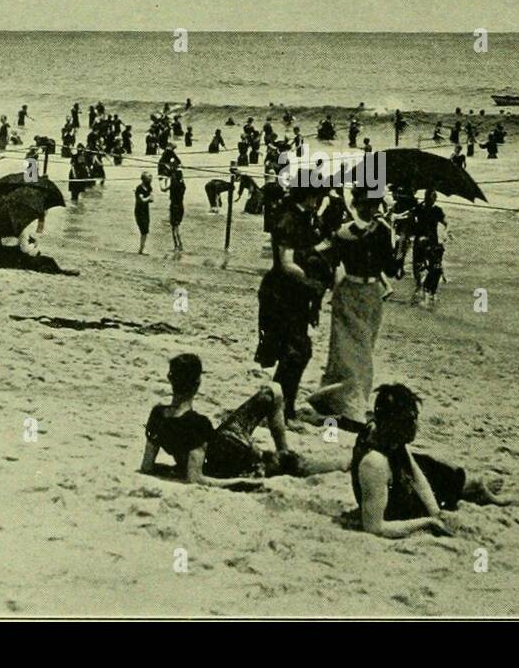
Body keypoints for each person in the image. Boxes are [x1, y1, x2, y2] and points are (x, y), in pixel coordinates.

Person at [140, 354, 344, 488]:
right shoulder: (196, 423)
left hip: (223, 444)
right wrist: (242, 483)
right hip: (232, 461)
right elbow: (197, 479)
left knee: (272, 391)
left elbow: (148, 466)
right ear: (197, 384)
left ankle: (285, 450)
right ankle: (341, 463)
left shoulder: (157, 414)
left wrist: (175, 467)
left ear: (170, 379)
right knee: (291, 463)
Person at [353, 384, 510, 538]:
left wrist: (436, 513)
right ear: (393, 423)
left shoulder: (387, 435)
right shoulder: (374, 463)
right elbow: (374, 528)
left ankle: (468, 487)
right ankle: (473, 488)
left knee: (437, 469)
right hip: (395, 501)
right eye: (410, 420)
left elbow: (416, 475)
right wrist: (428, 523)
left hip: (396, 482)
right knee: (446, 484)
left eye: (415, 418)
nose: (416, 426)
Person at [301, 188, 395, 426]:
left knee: (364, 347)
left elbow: (391, 267)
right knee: (349, 350)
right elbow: (324, 258)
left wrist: (394, 242)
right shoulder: (346, 232)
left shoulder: (380, 231)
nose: (371, 209)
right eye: (367, 204)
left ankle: (350, 399)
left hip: (370, 293)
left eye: (374, 204)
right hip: (351, 291)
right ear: (357, 205)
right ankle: (346, 402)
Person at [256, 184, 329, 422]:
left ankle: (280, 406)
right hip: (281, 294)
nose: (318, 200)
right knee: (295, 352)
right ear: (309, 195)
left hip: (294, 295)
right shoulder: (289, 218)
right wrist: (311, 283)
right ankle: (279, 407)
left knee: (295, 352)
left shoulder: (306, 218)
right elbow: (286, 263)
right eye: (317, 195)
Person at [410, 189, 447, 307]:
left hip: (431, 241)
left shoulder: (436, 210)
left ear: (435, 199)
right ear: (425, 198)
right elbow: (411, 218)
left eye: (432, 198)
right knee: (418, 265)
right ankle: (420, 287)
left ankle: (429, 291)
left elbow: (446, 222)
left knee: (434, 267)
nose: (430, 200)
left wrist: (445, 233)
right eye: (428, 198)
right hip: (421, 240)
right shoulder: (420, 208)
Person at [168, 165, 186, 253]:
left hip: (174, 206)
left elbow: (165, 188)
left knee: (174, 228)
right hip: (181, 206)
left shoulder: (174, 185)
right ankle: (180, 245)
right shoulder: (182, 186)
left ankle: (176, 246)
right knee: (177, 227)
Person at [134, 171, 153, 254]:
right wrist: (149, 198)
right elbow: (142, 200)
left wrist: (149, 198)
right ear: (144, 179)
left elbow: (150, 199)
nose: (150, 180)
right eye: (149, 178)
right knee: (143, 230)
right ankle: (142, 248)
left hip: (145, 210)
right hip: (139, 211)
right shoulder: (140, 188)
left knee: (146, 229)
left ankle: (141, 248)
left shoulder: (149, 187)